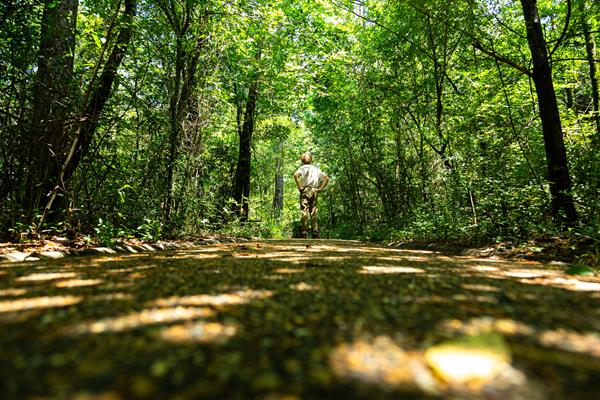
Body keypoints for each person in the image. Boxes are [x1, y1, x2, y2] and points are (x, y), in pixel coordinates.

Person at [294, 151, 329, 238]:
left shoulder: (302, 168)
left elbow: (295, 175)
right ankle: (315, 232)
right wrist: (320, 188)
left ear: (302, 160)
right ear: (311, 159)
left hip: (305, 190)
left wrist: (299, 187)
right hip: (314, 191)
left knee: (304, 210)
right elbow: (326, 178)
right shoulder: (316, 169)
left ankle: (304, 232)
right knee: (313, 211)